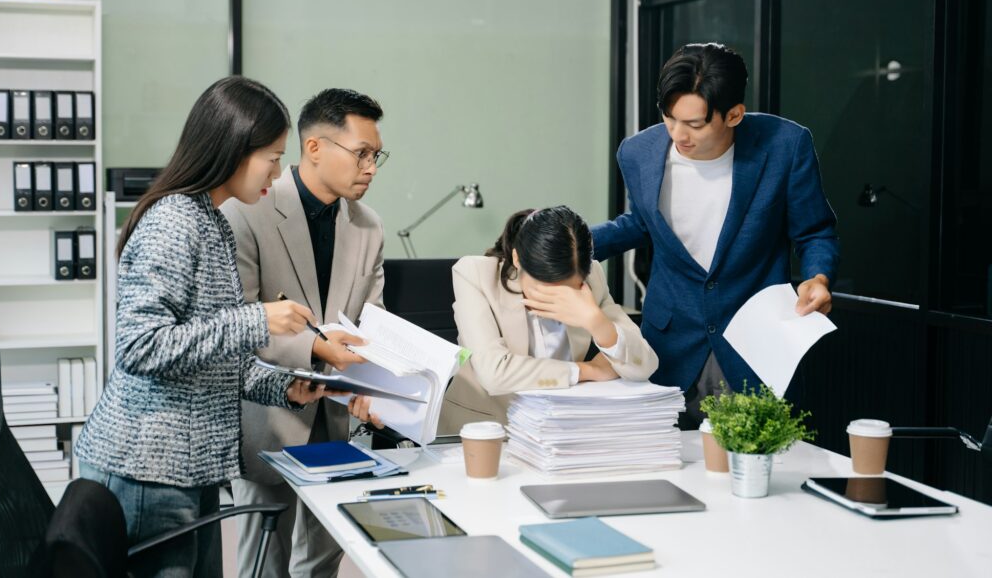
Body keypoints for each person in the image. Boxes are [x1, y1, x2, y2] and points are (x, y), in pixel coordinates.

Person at [74, 76, 334, 577]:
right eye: (272, 157)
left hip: (188, 466)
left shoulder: (210, 219)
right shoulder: (174, 221)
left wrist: (285, 389)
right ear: (234, 150)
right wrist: (257, 318)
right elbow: (142, 347)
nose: (278, 173)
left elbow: (209, 360)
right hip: (148, 466)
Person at [591, 43, 839, 428]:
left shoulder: (785, 146)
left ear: (734, 114)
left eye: (695, 124)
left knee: (761, 469)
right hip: (669, 344)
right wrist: (574, 245)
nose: (678, 135)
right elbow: (641, 223)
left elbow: (815, 230)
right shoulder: (638, 152)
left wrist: (818, 277)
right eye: (670, 118)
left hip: (755, 343)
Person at [222, 88, 388, 578]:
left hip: (337, 418)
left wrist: (379, 371)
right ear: (314, 147)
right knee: (262, 563)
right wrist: (317, 347)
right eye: (361, 154)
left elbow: (372, 318)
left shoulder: (369, 226)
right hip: (267, 413)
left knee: (322, 562)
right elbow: (240, 324)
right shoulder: (248, 211)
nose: (371, 168)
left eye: (377, 156)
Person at [438, 206, 658, 435]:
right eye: (542, 289)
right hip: (483, 432)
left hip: (558, 434)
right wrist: (588, 370)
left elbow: (644, 365)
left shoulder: (592, 279)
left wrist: (595, 321)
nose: (555, 300)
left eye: (566, 292)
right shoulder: (475, 274)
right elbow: (494, 373)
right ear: (517, 259)